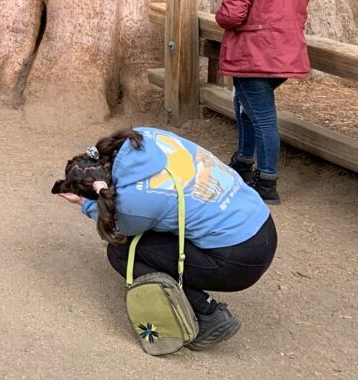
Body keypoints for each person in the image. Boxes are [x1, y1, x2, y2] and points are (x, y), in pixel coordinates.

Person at [55, 126, 277, 350]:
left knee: (122, 253)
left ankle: (209, 314)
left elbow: (120, 229)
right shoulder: (140, 137)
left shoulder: (133, 201)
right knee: (161, 223)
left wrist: (85, 204)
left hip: (240, 259)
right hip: (260, 221)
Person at [216, 0, 310, 204]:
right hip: (285, 55)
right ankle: (244, 163)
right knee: (246, 108)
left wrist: (221, 11)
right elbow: (299, 14)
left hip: (252, 57)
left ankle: (267, 182)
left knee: (263, 119)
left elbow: (230, 17)